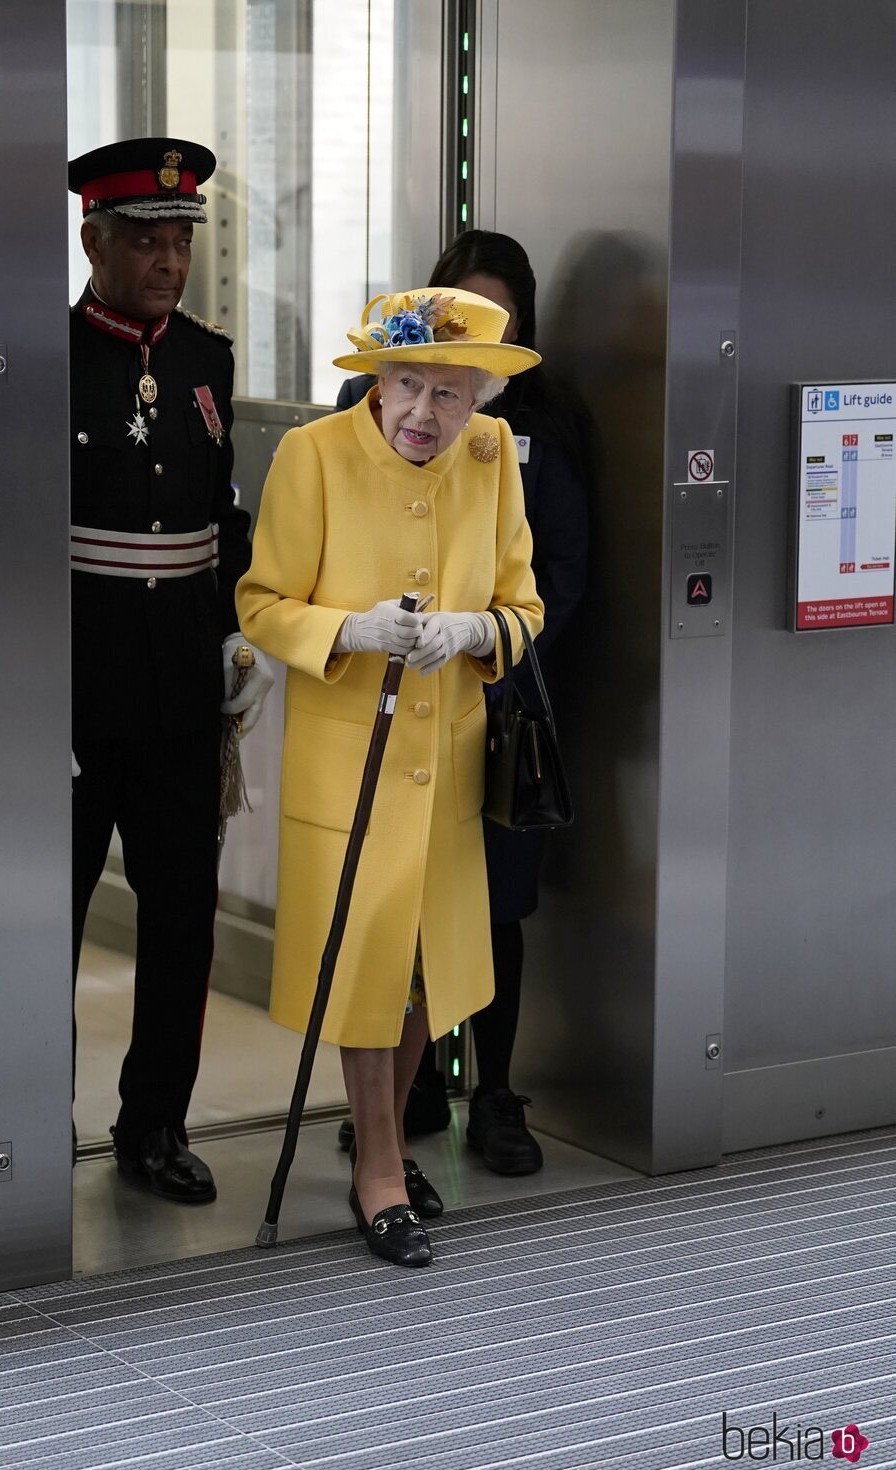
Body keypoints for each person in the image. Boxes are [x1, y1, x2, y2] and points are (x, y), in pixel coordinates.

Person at [238, 288, 542, 1265]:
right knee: (366, 961)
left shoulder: (492, 466)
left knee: (423, 969)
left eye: (450, 396)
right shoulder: (313, 456)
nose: (422, 414)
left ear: (480, 400)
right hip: (348, 764)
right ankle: (378, 1166)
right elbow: (259, 604)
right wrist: (348, 630)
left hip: (444, 762)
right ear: (377, 378)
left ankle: (386, 1143)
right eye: (407, 384)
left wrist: (472, 632)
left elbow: (522, 607)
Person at [338, 231, 589, 1176]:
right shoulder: (373, 415)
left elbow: (560, 572)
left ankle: (494, 1091)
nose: (451, 381)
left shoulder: (544, 431)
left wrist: (489, 641)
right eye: (456, 318)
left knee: (490, 908)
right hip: (389, 701)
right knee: (389, 915)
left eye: (497, 324)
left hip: (503, 700)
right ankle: (392, 1113)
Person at [67, 138, 273, 1203]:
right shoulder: (45, 356)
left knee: (181, 917)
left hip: (180, 694)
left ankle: (153, 1125)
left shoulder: (203, 357)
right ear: (91, 237)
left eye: (179, 237)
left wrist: (234, 629)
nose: (166, 258)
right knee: (42, 915)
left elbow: (217, 518)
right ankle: (24, 1120)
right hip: (71, 693)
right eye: (144, 237)